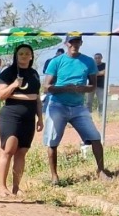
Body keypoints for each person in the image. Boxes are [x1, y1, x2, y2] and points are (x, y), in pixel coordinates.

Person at [43, 36, 112, 183]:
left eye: (77, 41)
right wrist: (65, 88)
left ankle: (101, 170)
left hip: (78, 107)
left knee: (95, 137)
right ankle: (54, 176)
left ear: (81, 43)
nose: (74, 44)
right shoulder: (56, 61)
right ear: (66, 43)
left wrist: (82, 88)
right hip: (57, 105)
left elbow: (92, 86)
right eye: (71, 41)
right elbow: (47, 87)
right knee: (52, 140)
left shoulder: (88, 61)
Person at [0, 44, 43, 197]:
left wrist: (40, 118)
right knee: (8, 150)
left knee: (22, 152)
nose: (23, 56)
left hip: (29, 118)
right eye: (21, 53)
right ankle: (2, 187)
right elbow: (0, 95)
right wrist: (15, 84)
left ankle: (16, 187)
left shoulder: (34, 74)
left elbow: (37, 99)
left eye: (27, 53)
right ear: (16, 56)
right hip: (11, 116)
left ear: (31, 56)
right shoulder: (8, 72)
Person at [92, 52, 106, 117]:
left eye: (98, 58)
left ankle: (101, 115)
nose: (97, 59)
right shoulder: (91, 65)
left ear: (101, 58)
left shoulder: (105, 65)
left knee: (101, 102)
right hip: (91, 86)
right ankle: (88, 115)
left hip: (100, 86)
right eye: (96, 58)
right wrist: (99, 73)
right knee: (88, 102)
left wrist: (94, 73)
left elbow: (104, 72)